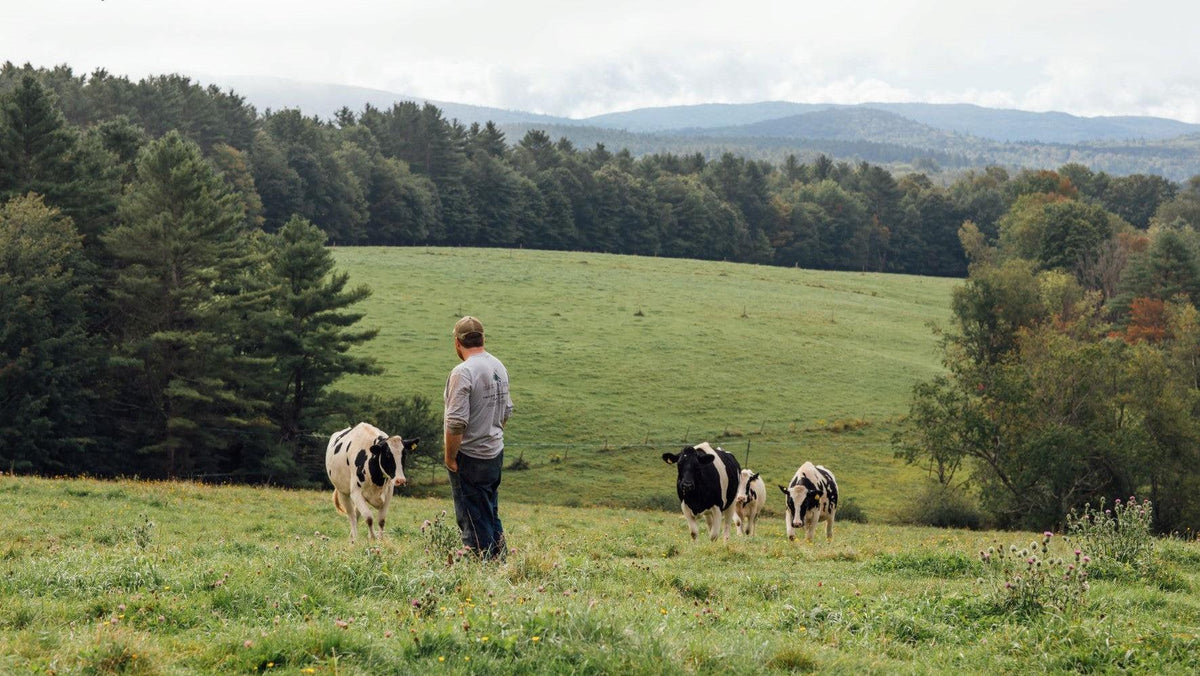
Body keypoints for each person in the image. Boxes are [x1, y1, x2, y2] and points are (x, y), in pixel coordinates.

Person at [443, 316, 513, 560]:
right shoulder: (498, 366)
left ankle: (482, 566)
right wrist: (490, 431)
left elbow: (456, 422)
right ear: (482, 338)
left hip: (470, 455)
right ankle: (500, 559)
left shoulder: (462, 373)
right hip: (495, 451)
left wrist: (451, 457)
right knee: (490, 510)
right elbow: (506, 412)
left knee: (472, 517)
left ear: (457, 343)